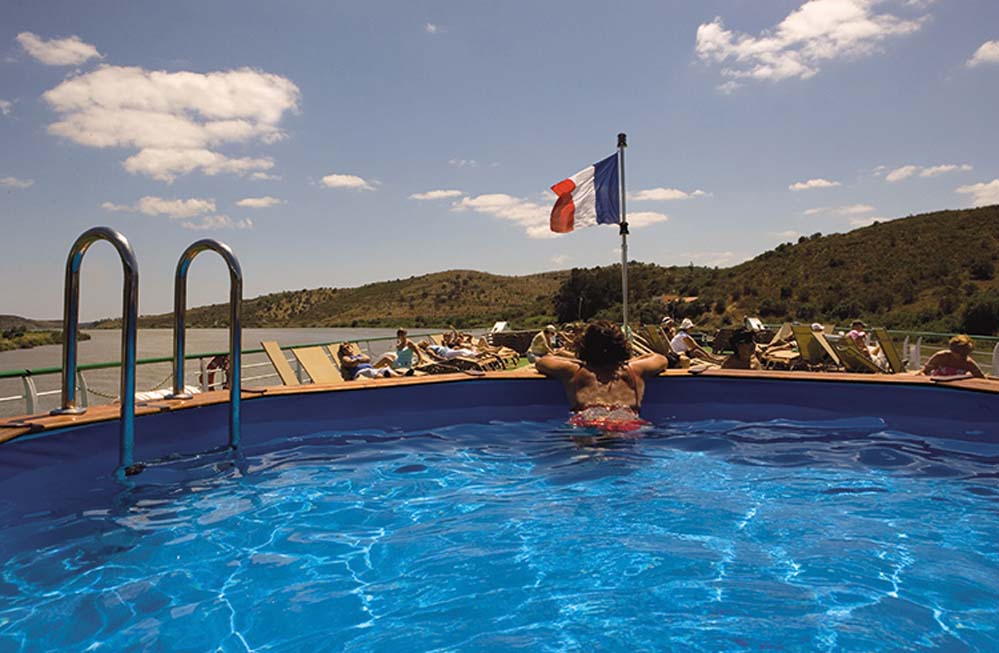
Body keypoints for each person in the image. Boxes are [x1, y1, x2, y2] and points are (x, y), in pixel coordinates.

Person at [535, 320, 669, 431]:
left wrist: (579, 361)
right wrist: (629, 361)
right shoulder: (634, 370)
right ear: (621, 346)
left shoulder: (574, 372)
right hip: (626, 426)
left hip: (587, 425)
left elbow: (543, 361)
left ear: (584, 346)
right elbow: (660, 358)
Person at [920, 334, 985, 378]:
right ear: (953, 350)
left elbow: (981, 378)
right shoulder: (941, 357)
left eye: (966, 353)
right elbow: (924, 371)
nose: (964, 356)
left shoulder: (968, 363)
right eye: (961, 354)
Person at [337, 343, 406, 380]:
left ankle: (401, 377)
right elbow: (350, 363)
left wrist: (357, 360)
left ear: (351, 347)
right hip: (361, 372)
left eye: (348, 347)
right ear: (342, 352)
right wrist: (359, 360)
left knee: (385, 370)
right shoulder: (345, 358)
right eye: (344, 349)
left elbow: (367, 359)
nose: (347, 349)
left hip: (371, 369)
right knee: (379, 375)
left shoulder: (359, 355)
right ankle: (387, 379)